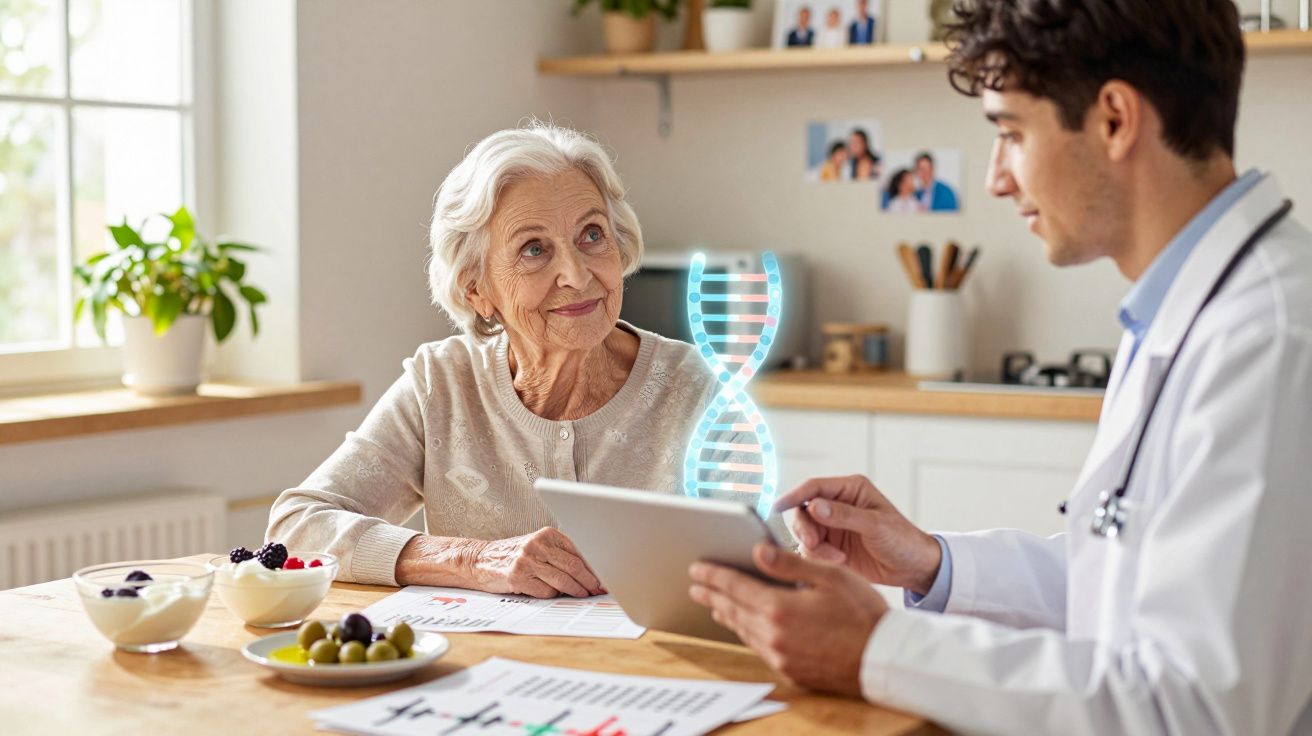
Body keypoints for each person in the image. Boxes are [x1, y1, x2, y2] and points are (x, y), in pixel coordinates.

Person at [689, 1, 1312, 733]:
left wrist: (877, 649)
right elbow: (1125, 583)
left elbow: (1198, 708)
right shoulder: (1190, 307)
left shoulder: (1270, 337)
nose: (996, 179)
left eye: (1011, 134)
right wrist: (930, 563)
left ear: (1114, 119)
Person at [267, 123, 728, 598]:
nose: (575, 273)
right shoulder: (441, 384)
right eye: (534, 249)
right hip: (480, 667)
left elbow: (762, 566)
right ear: (477, 290)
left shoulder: (697, 387)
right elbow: (296, 527)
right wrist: (471, 559)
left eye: (592, 235)